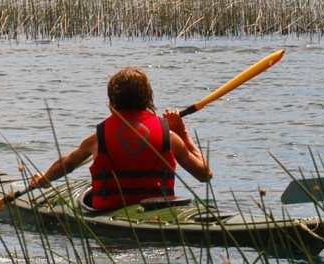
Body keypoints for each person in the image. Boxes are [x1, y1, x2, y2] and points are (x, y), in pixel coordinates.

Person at [26, 66, 211, 210]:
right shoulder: (170, 137)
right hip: (159, 211)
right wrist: (182, 132)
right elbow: (204, 175)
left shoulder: (98, 139)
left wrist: (43, 179)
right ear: (148, 99)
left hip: (108, 210)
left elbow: (67, 163)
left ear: (112, 101)